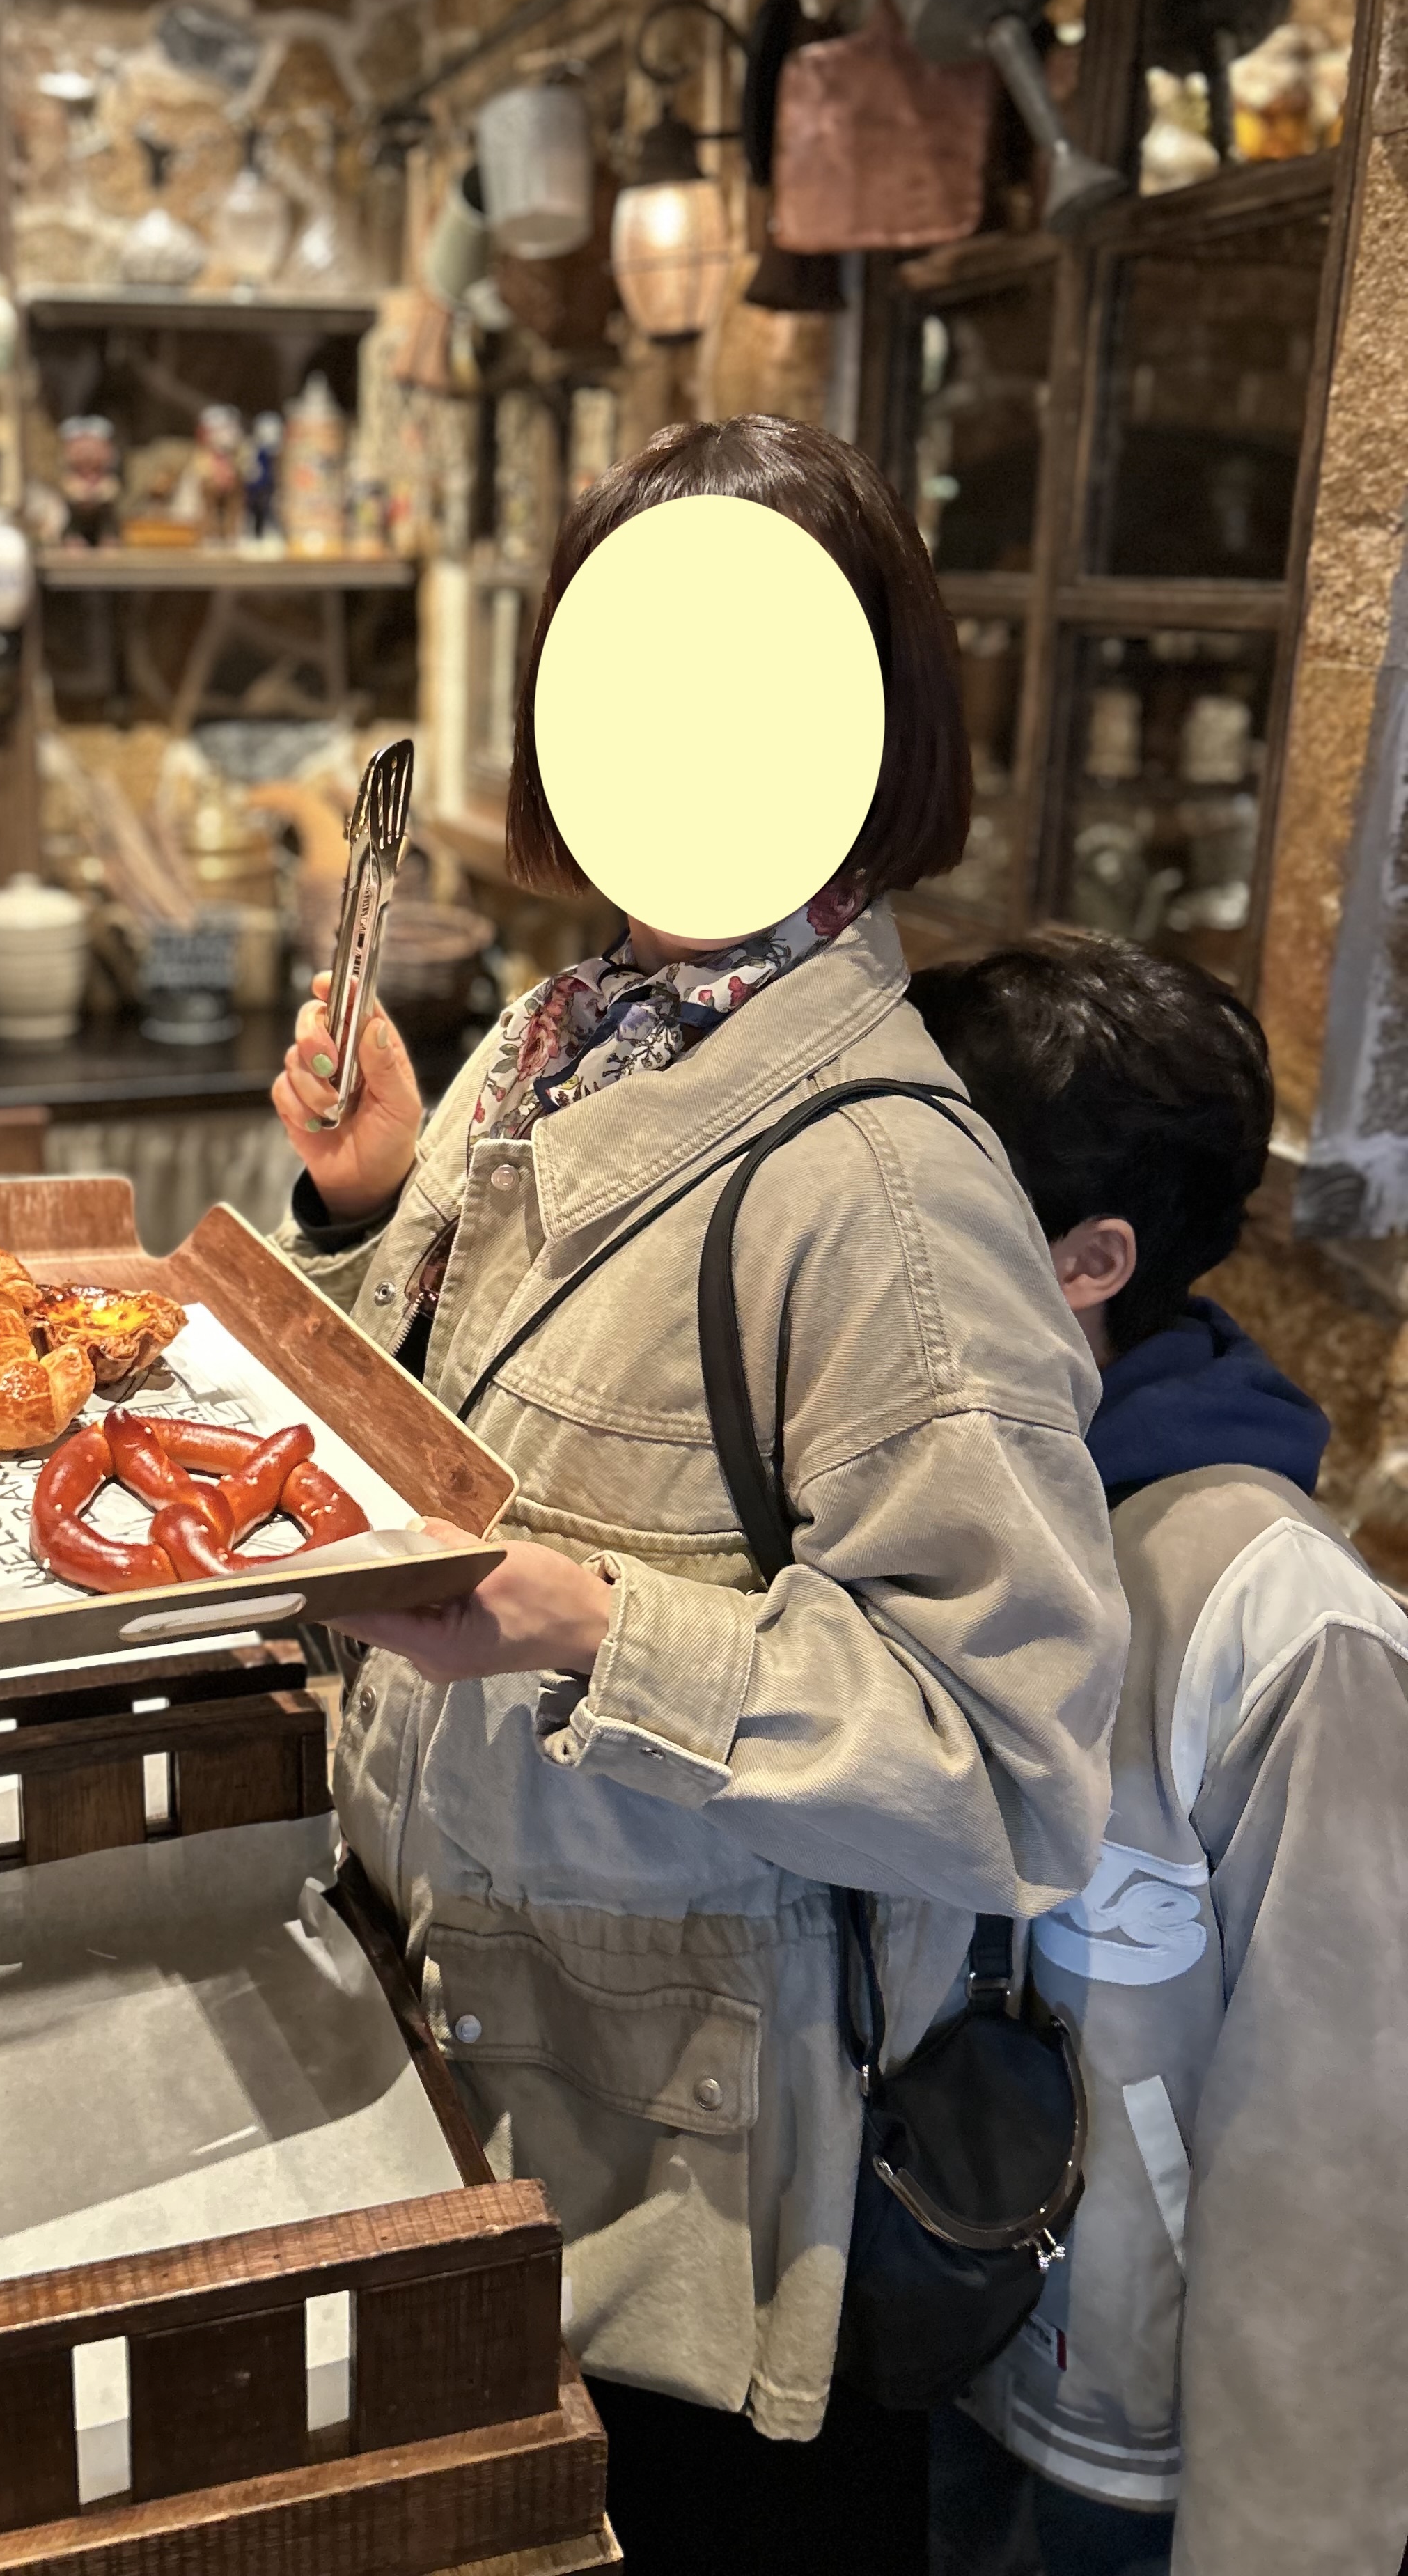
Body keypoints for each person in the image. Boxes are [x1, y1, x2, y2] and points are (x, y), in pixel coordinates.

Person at [269, 417, 1129, 2574]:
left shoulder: (889, 1194)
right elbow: (447, 1430)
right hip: (472, 2054)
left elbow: (1016, 1774)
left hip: (700, 2207)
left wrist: (593, 1634)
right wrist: (368, 1206)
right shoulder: (558, 1041)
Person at [910, 935, 1408, 2576]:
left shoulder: (1277, 1614)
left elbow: (1344, 2157)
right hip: (924, 2333)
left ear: (1091, 1260)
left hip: (1116, 2439)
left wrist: (1282, 2545)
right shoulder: (940, 1504)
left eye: (929, 1197)